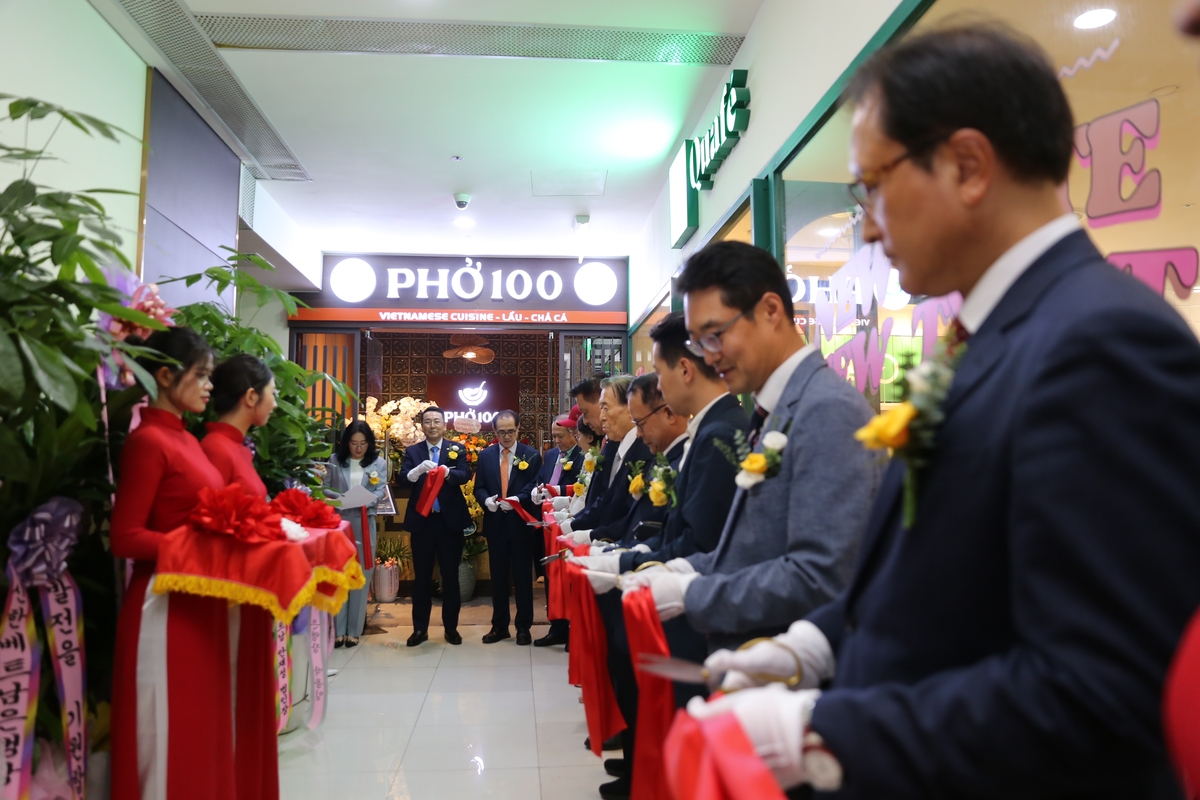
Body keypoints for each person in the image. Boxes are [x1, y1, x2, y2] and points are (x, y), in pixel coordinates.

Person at [690, 25, 1200, 798]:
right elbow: (935, 571)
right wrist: (811, 646)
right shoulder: (983, 338)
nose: (864, 224)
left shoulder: (1101, 341)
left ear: (967, 166)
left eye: (874, 186)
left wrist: (824, 731)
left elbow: (1101, 688)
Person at [622, 240, 880, 654]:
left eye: (715, 335)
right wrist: (677, 570)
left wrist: (693, 594)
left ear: (771, 311)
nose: (710, 355)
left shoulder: (825, 408)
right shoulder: (776, 409)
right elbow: (754, 547)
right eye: (699, 343)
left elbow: (821, 576)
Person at [110, 327, 234, 800]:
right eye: (200, 375)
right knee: (164, 733)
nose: (208, 386)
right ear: (165, 375)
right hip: (162, 605)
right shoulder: (149, 442)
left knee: (194, 730)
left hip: (197, 599)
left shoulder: (187, 439)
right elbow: (124, 537)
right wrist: (198, 549)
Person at [574, 373, 692, 799]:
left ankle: (643, 763)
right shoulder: (628, 449)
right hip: (634, 565)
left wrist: (621, 552)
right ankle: (636, 757)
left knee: (638, 677)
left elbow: (655, 522)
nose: (601, 417)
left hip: (659, 578)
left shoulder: (658, 451)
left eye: (608, 407)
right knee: (622, 669)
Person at [201, 353, 279, 800]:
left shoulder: (235, 446)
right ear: (251, 396)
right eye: (272, 393)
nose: (274, 402)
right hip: (230, 591)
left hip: (248, 590)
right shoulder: (215, 448)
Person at [400, 406, 472, 647]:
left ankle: (451, 628)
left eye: (437, 421)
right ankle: (420, 628)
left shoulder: (456, 448)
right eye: (428, 421)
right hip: (423, 522)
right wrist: (417, 471)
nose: (432, 425)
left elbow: (465, 474)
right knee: (421, 579)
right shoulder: (413, 451)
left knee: (450, 577)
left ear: (444, 425)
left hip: (449, 523)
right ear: (422, 426)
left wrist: (447, 474)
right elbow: (402, 479)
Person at [473, 410, 542, 644]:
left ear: (518, 429)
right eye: (501, 432)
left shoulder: (531, 455)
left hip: (521, 524)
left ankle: (524, 627)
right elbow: (478, 487)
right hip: (496, 526)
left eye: (510, 431)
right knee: (499, 579)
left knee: (523, 579)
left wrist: (518, 500)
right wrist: (487, 501)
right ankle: (499, 626)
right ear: (494, 432)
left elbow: (534, 485)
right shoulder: (485, 456)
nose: (506, 436)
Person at [558, 375, 652, 540]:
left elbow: (635, 516)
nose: (601, 417)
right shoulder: (617, 445)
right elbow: (606, 499)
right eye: (601, 408)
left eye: (605, 408)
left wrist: (591, 535)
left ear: (630, 407)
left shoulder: (644, 450)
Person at [322, 420, 388, 647]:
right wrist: (339, 498)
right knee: (339, 574)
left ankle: (354, 630)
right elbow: (325, 487)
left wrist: (370, 498)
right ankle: (338, 630)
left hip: (364, 522)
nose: (358, 448)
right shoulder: (334, 461)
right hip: (340, 522)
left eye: (363, 444)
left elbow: (381, 489)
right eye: (353, 443)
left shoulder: (378, 463)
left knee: (361, 574)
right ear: (346, 443)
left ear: (369, 443)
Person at [533, 411, 580, 648]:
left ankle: (574, 628)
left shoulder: (584, 455)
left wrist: (557, 491)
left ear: (574, 434)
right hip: (548, 524)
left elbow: (581, 489)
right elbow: (543, 480)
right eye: (554, 436)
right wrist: (538, 490)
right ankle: (557, 627)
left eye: (560, 436)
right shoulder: (551, 454)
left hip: (571, 522)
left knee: (569, 577)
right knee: (551, 576)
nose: (556, 441)